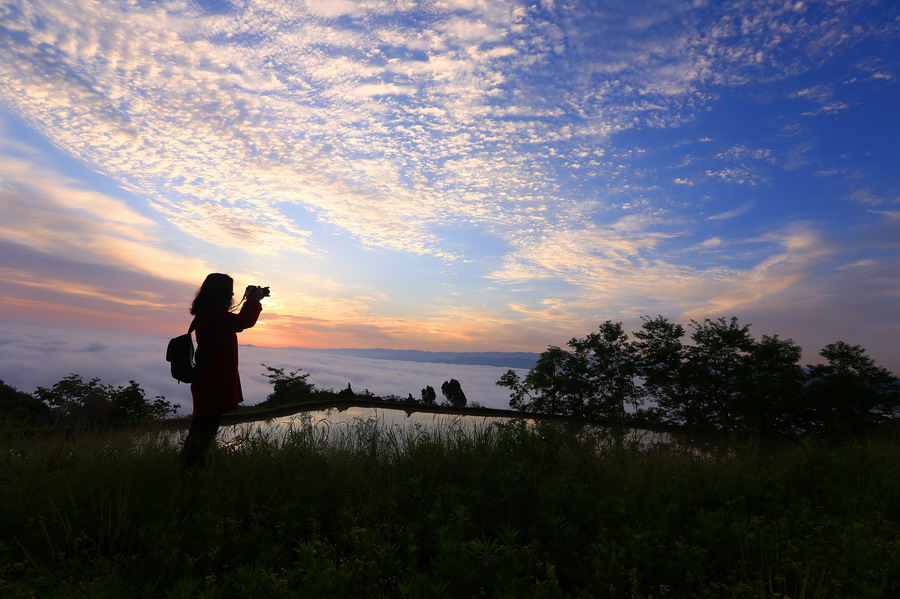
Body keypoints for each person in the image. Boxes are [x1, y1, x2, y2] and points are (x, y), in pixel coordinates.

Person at [180, 273, 267, 471]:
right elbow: (243, 322)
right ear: (221, 293)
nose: (232, 294)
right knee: (203, 430)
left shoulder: (210, 313)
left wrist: (249, 300)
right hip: (212, 381)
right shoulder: (213, 314)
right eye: (230, 290)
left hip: (209, 379)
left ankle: (190, 470)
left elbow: (237, 323)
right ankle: (188, 471)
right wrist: (254, 300)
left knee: (204, 428)